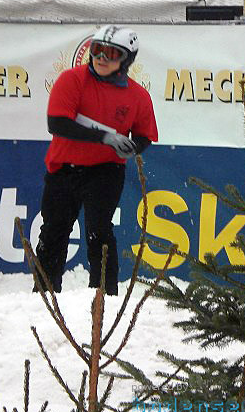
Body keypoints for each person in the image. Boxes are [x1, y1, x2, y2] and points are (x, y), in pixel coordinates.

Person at [33, 24, 158, 295]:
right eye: (97, 50)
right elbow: (57, 123)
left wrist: (133, 148)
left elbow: (144, 135)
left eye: (112, 53)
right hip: (63, 169)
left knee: (99, 232)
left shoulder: (137, 95)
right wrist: (105, 137)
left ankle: (104, 296)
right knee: (53, 231)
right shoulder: (71, 79)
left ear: (127, 59)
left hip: (105, 171)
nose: (102, 58)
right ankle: (44, 294)